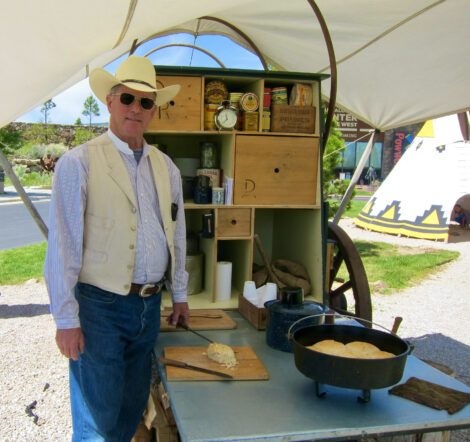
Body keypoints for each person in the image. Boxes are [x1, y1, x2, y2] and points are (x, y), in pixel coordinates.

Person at [44, 55, 189, 441]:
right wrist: (65, 320)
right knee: (97, 417)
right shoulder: (79, 163)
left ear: (153, 110)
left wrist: (180, 294)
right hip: (99, 308)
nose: (136, 109)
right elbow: (62, 245)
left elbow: (176, 234)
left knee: (129, 409)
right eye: (128, 98)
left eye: (146, 102)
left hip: (147, 305)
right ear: (110, 100)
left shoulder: (166, 167)